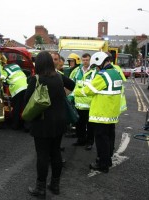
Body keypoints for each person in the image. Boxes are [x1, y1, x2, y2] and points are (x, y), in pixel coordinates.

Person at [27, 51, 75, 198]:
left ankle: (40, 188)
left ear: (39, 63)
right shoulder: (59, 77)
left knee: (42, 155)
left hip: (42, 123)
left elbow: (27, 102)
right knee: (55, 153)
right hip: (60, 121)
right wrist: (62, 95)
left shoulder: (35, 79)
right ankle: (55, 185)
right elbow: (72, 84)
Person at [74, 52, 123, 173]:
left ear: (101, 61)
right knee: (110, 137)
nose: (96, 68)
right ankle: (108, 160)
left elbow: (88, 90)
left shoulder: (103, 75)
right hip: (111, 113)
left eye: (96, 65)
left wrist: (74, 92)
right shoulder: (116, 73)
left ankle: (102, 164)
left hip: (101, 113)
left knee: (101, 140)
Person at [71, 53, 95, 150]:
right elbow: (72, 84)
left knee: (90, 126)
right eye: (84, 60)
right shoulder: (77, 71)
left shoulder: (94, 72)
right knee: (79, 124)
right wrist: (71, 97)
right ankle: (81, 140)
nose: (85, 62)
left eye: (87, 60)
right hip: (78, 103)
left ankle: (89, 142)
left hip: (90, 104)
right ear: (81, 60)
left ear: (90, 60)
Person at [0, 55, 27, 130]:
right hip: (26, 86)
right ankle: (26, 126)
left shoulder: (4, 70)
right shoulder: (15, 65)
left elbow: (3, 79)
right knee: (25, 107)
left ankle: (15, 125)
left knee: (16, 107)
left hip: (17, 89)